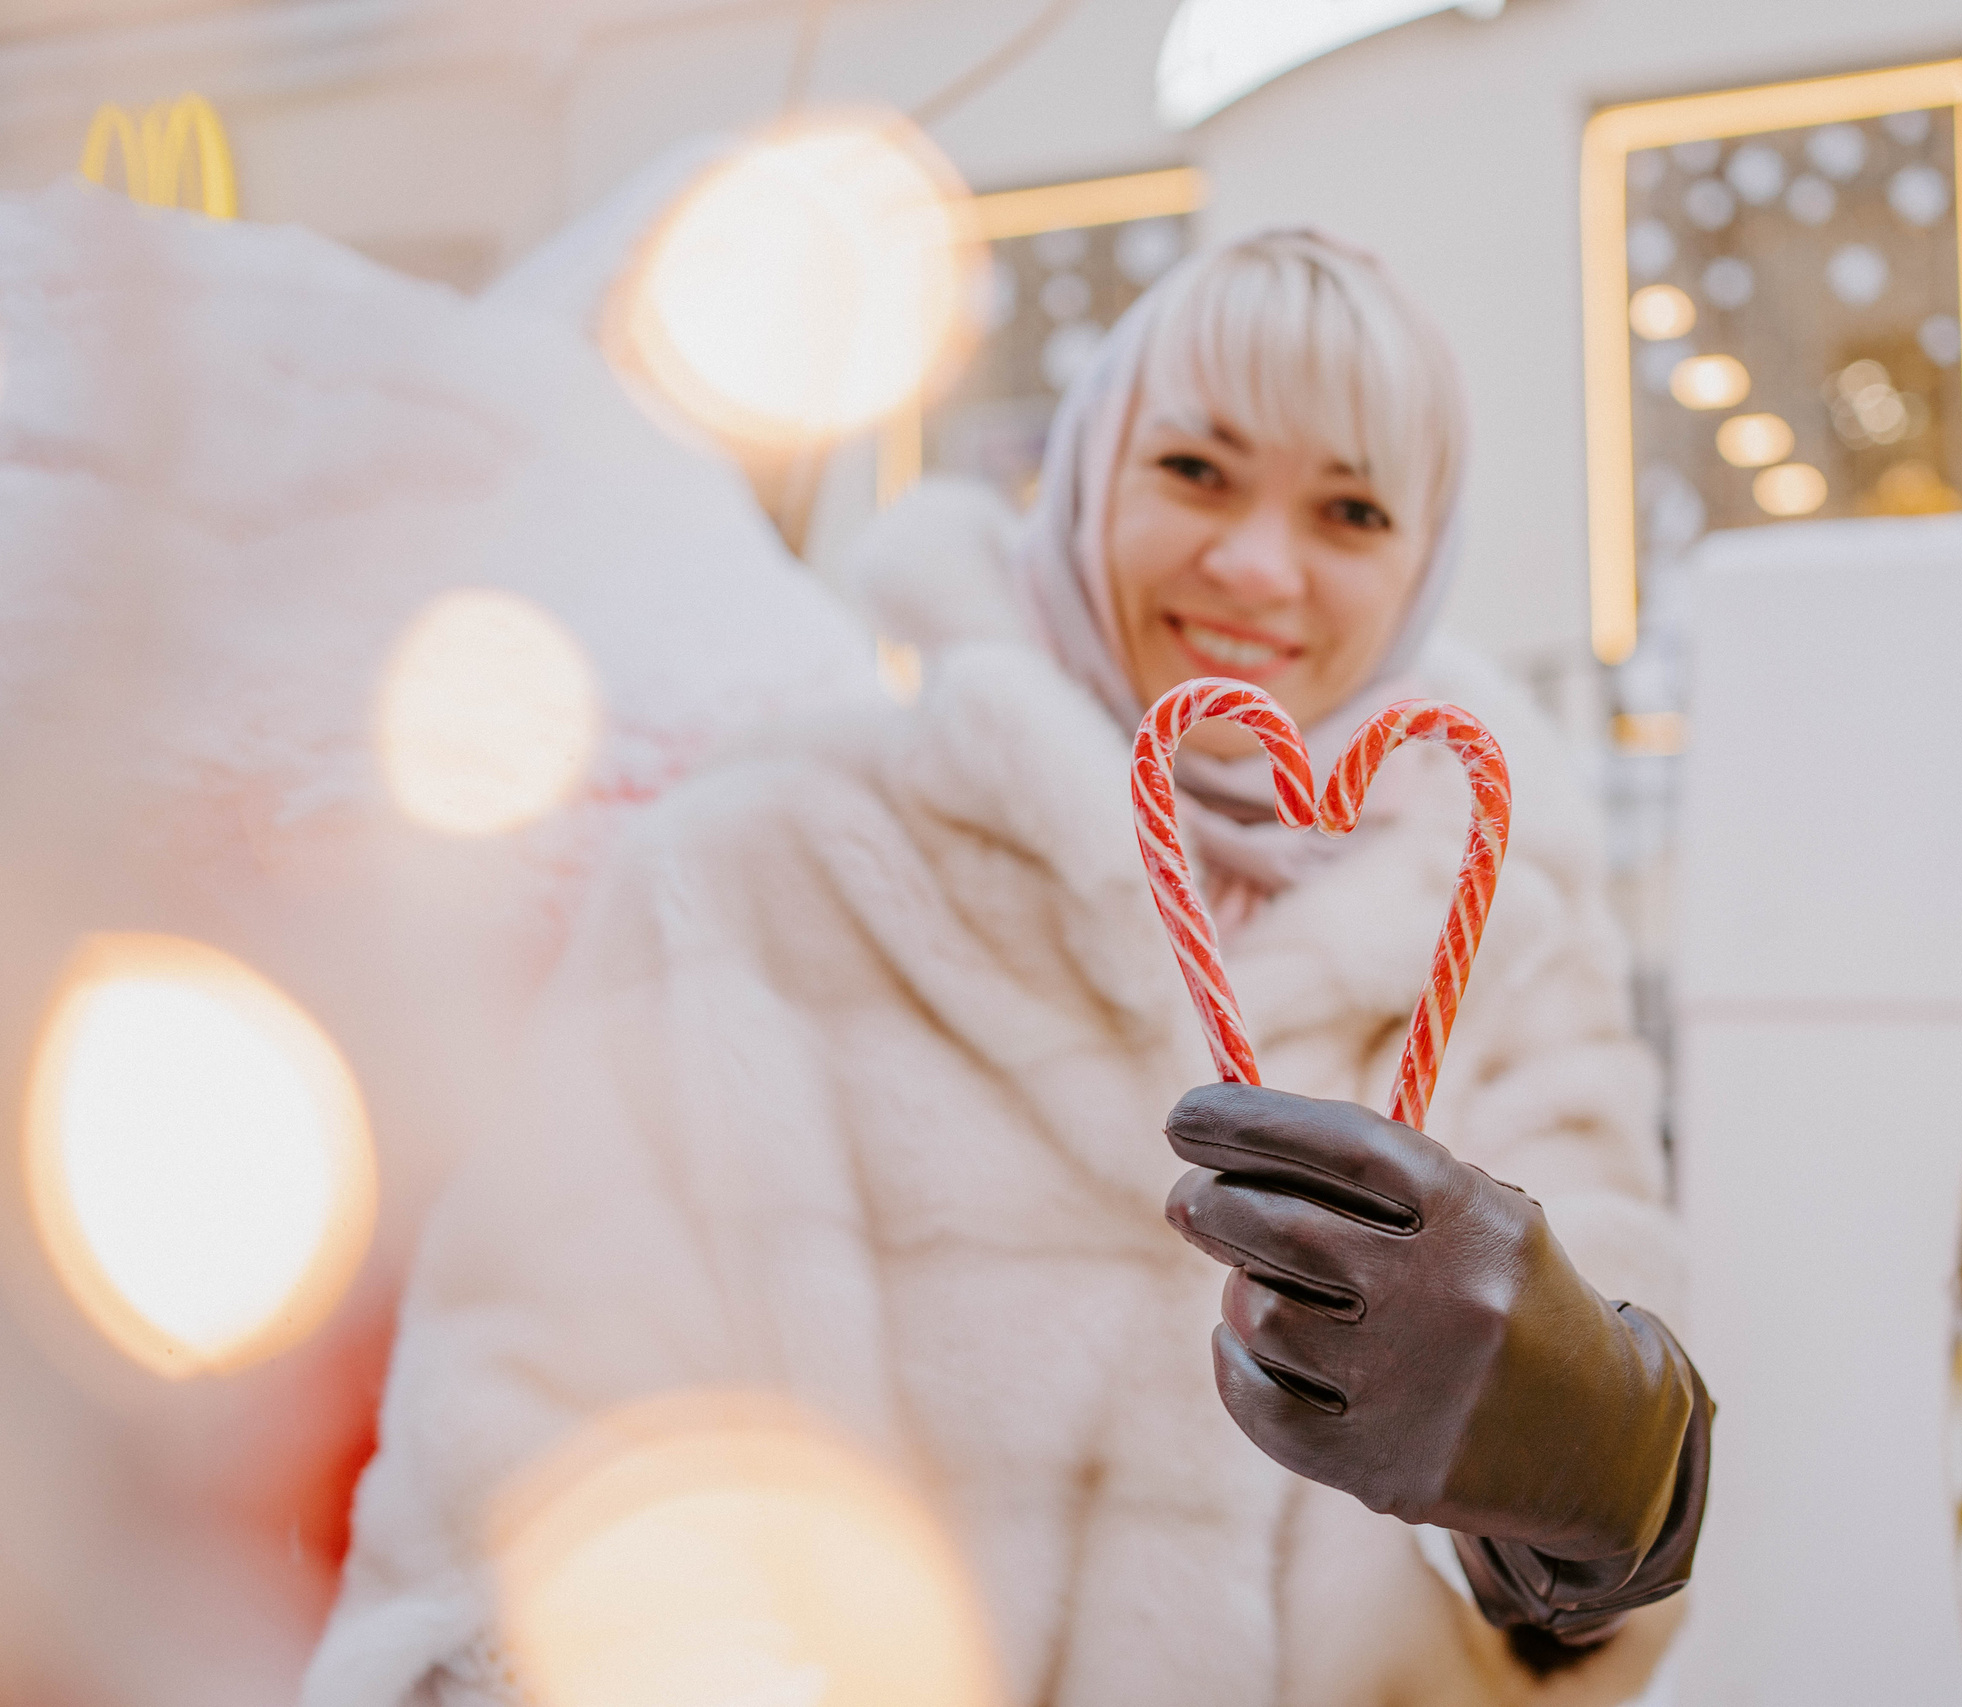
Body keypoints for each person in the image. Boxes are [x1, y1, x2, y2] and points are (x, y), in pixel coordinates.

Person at [306, 229, 1710, 1707]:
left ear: (1425, 565)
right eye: (1197, 470)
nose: (1258, 564)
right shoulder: (764, 877)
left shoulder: (1500, 948)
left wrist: (1556, 1474)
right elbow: (526, 1451)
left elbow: (1591, 1585)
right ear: (1085, 471)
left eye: (1352, 509)